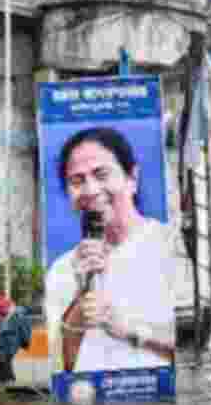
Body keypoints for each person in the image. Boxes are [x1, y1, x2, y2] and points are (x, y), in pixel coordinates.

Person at [42, 127, 179, 373]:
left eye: (101, 174)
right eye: (77, 180)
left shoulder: (171, 246)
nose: (91, 190)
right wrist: (82, 295)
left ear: (132, 178)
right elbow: (63, 367)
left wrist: (129, 330)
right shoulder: (63, 269)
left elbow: (196, 349)